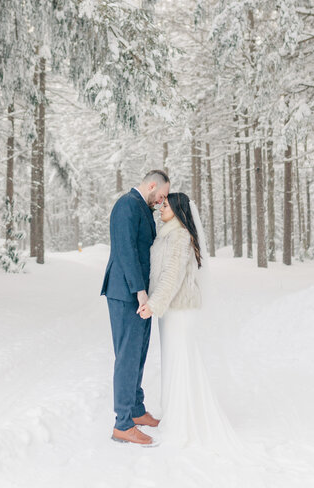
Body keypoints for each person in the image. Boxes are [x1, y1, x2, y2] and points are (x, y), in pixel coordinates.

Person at [138, 192, 244, 453]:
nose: (161, 207)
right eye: (161, 203)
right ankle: (177, 414)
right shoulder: (166, 234)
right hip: (169, 310)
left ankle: (184, 422)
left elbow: (172, 276)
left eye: (166, 204)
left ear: (178, 209)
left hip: (179, 310)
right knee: (173, 362)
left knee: (181, 361)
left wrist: (153, 305)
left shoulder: (180, 236)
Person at [101, 170, 170, 446]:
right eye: (161, 195)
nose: (161, 201)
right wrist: (140, 292)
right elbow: (126, 251)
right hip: (126, 293)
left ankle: (136, 410)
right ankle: (122, 424)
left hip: (140, 295)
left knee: (139, 353)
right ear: (151, 185)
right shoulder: (127, 205)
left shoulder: (142, 207)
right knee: (127, 356)